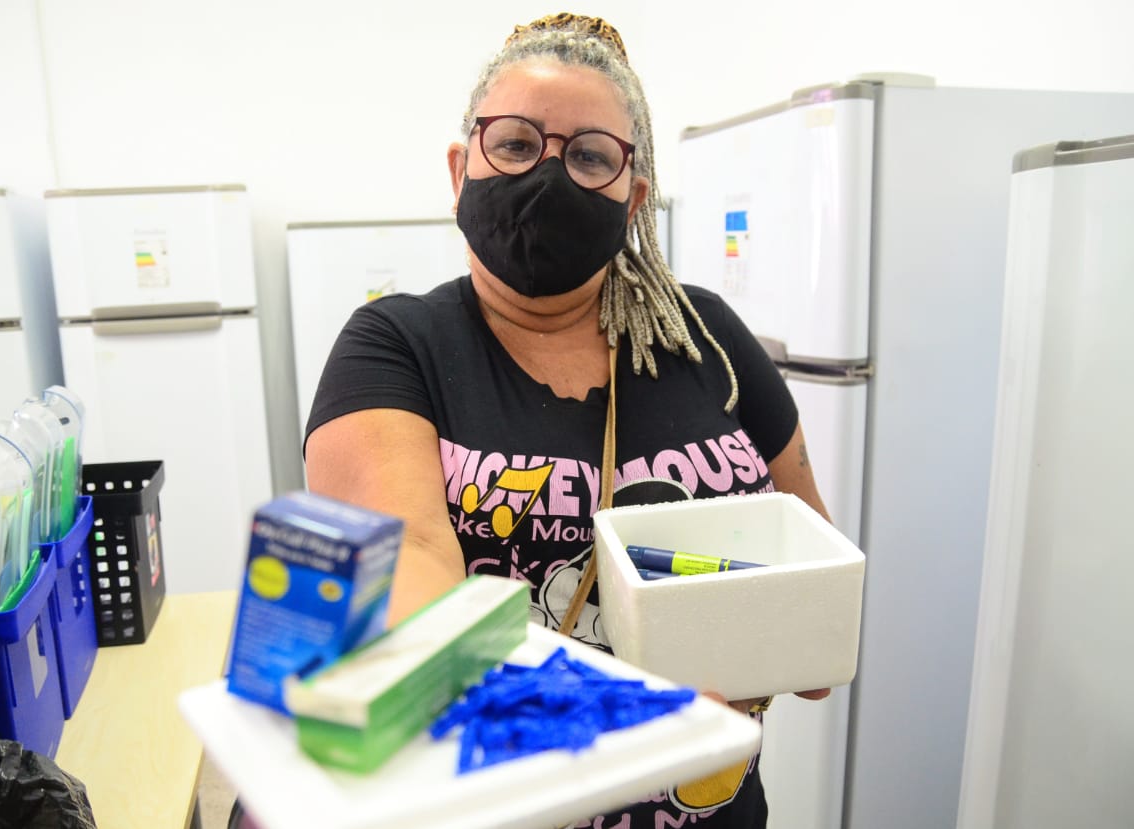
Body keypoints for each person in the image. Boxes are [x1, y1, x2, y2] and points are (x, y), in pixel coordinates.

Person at [304, 12, 832, 828]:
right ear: (460, 168)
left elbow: (813, 582)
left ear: (633, 197)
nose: (548, 176)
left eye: (590, 157)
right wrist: (610, 714)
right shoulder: (394, 346)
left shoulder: (711, 336)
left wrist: (767, 636)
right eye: (515, 143)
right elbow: (405, 574)